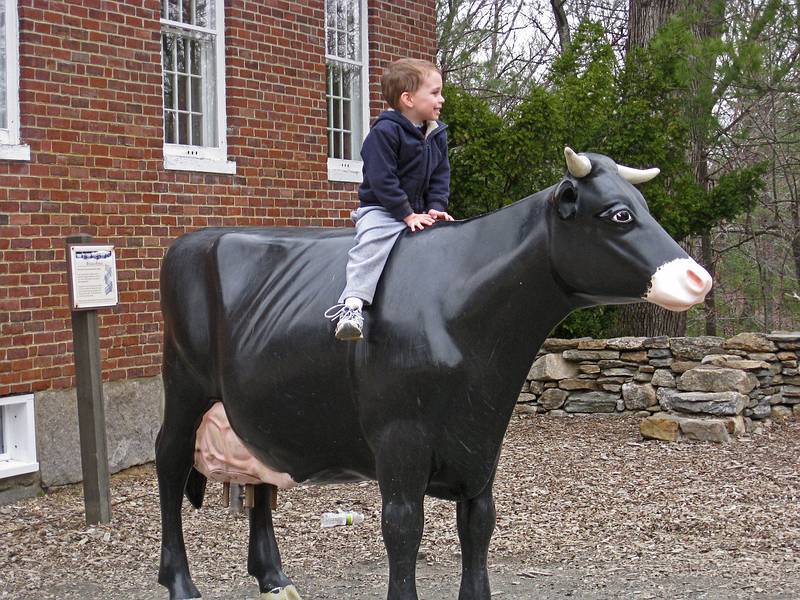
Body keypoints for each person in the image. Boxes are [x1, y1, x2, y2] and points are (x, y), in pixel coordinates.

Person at [325, 58, 453, 341]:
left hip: (419, 212)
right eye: (434, 92)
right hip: (383, 210)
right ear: (408, 99)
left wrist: (436, 208)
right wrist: (406, 214)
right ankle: (352, 307)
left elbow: (440, 176)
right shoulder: (384, 132)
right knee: (370, 245)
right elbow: (383, 180)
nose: (441, 99)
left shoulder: (436, 134)